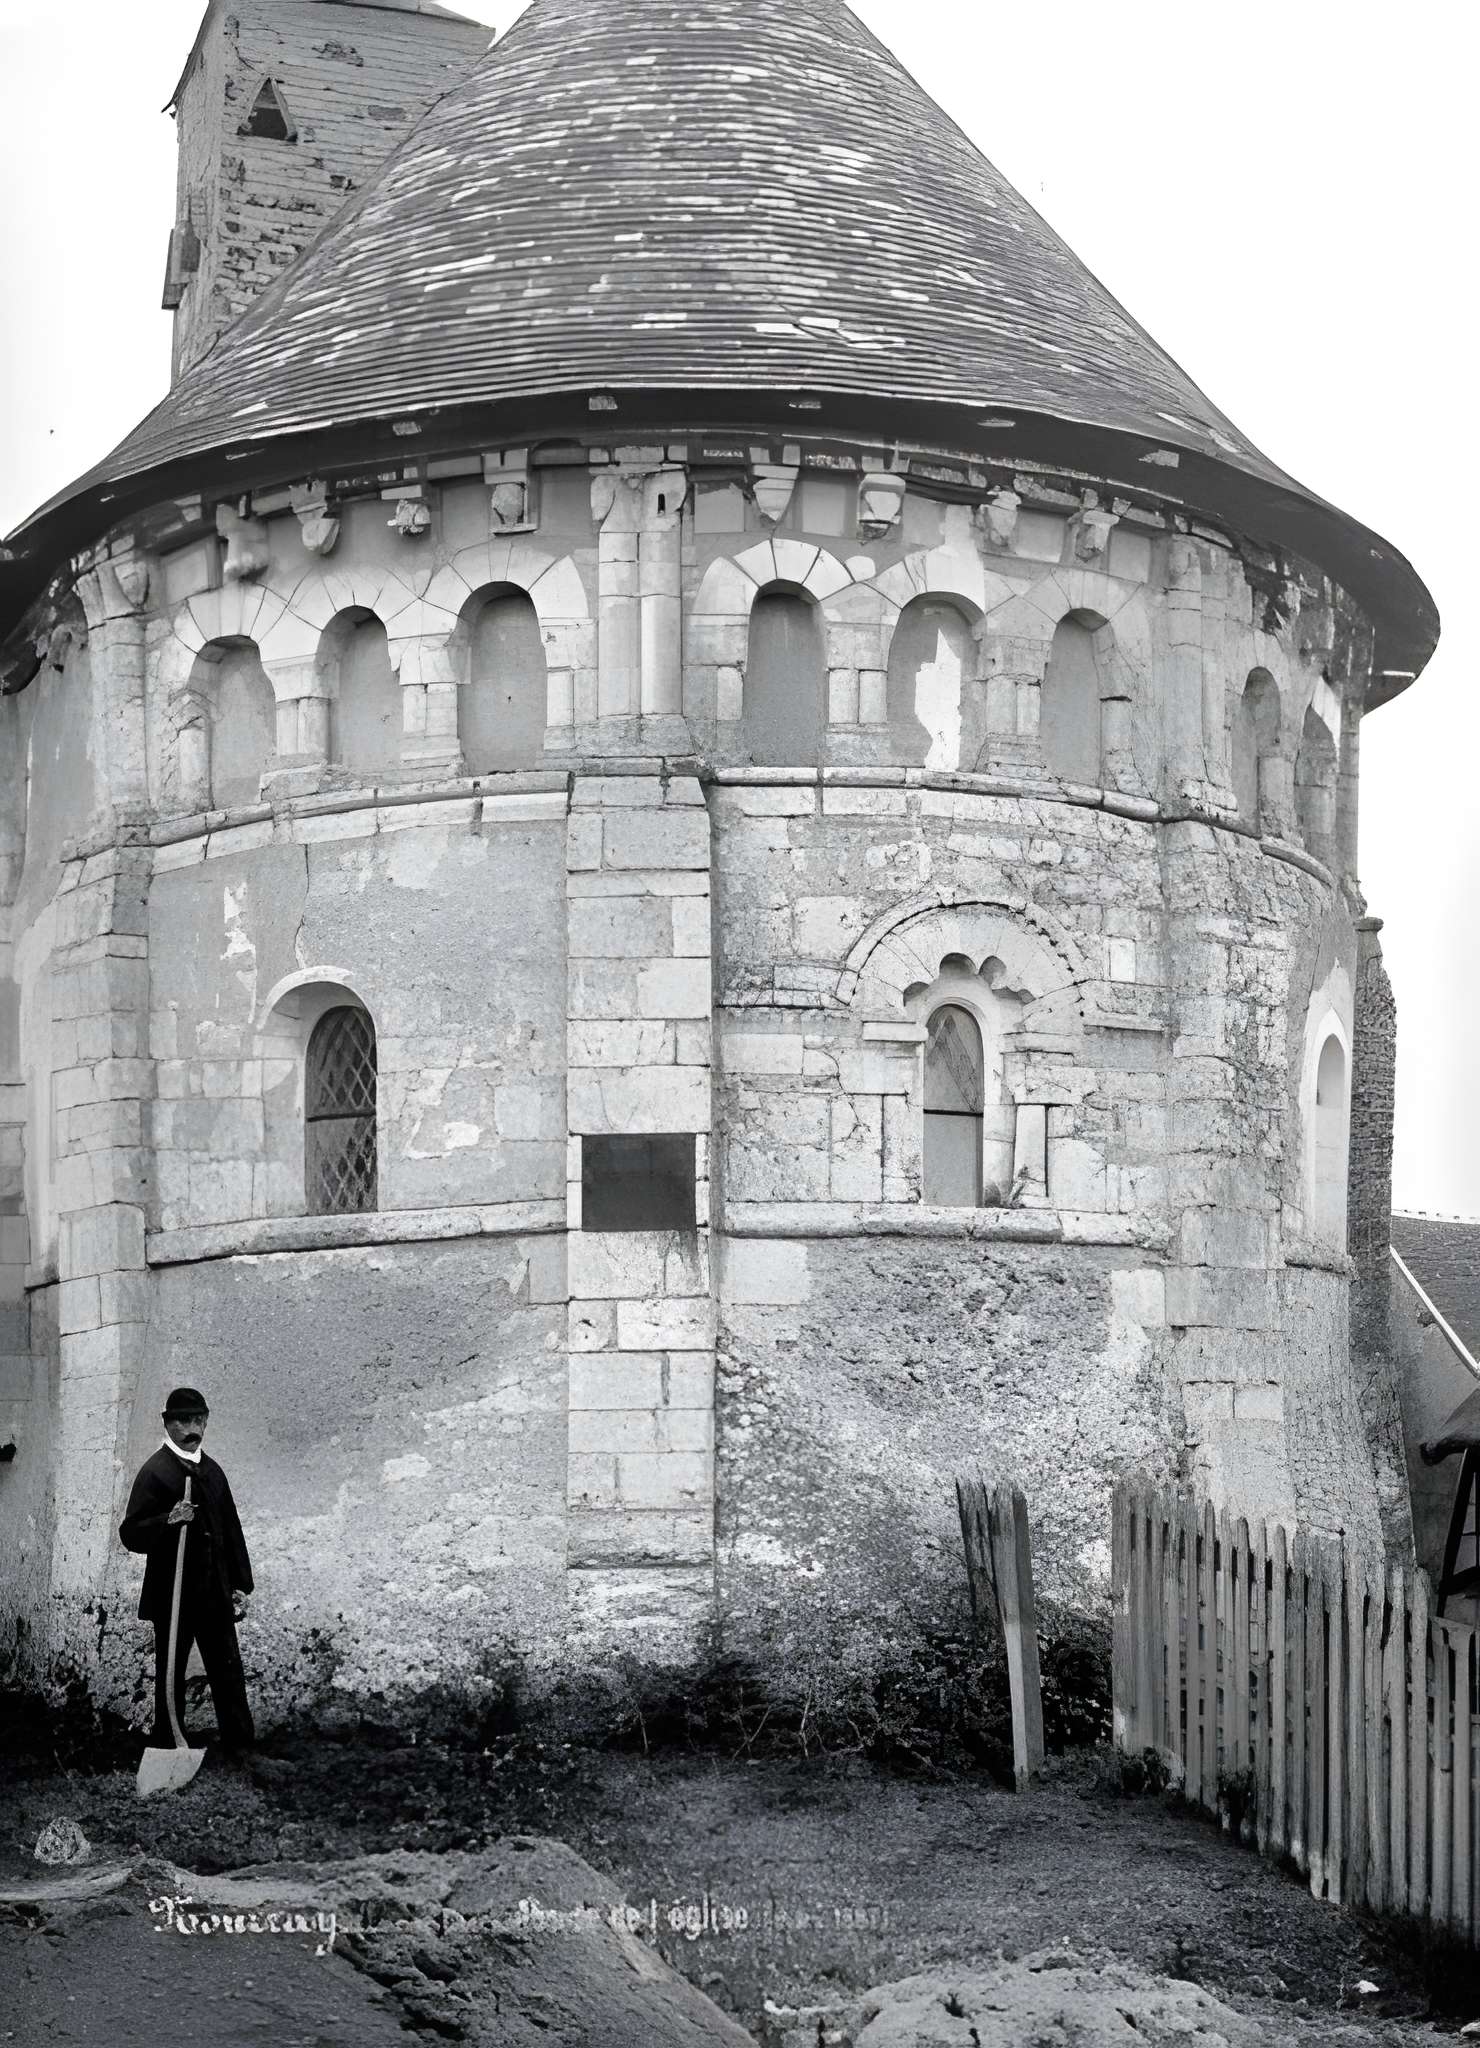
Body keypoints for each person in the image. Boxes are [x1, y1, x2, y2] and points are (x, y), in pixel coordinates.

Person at [119, 1387, 255, 1758]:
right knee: (171, 1671)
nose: (191, 1428)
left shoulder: (212, 1471)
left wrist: (240, 1584)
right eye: (182, 1420)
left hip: (214, 1591)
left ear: (206, 1421)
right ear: (167, 1424)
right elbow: (130, 1533)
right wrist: (168, 1520)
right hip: (173, 1594)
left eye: (198, 1419)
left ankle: (240, 1747)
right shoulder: (156, 1472)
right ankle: (167, 1744)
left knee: (227, 1668)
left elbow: (231, 1529)